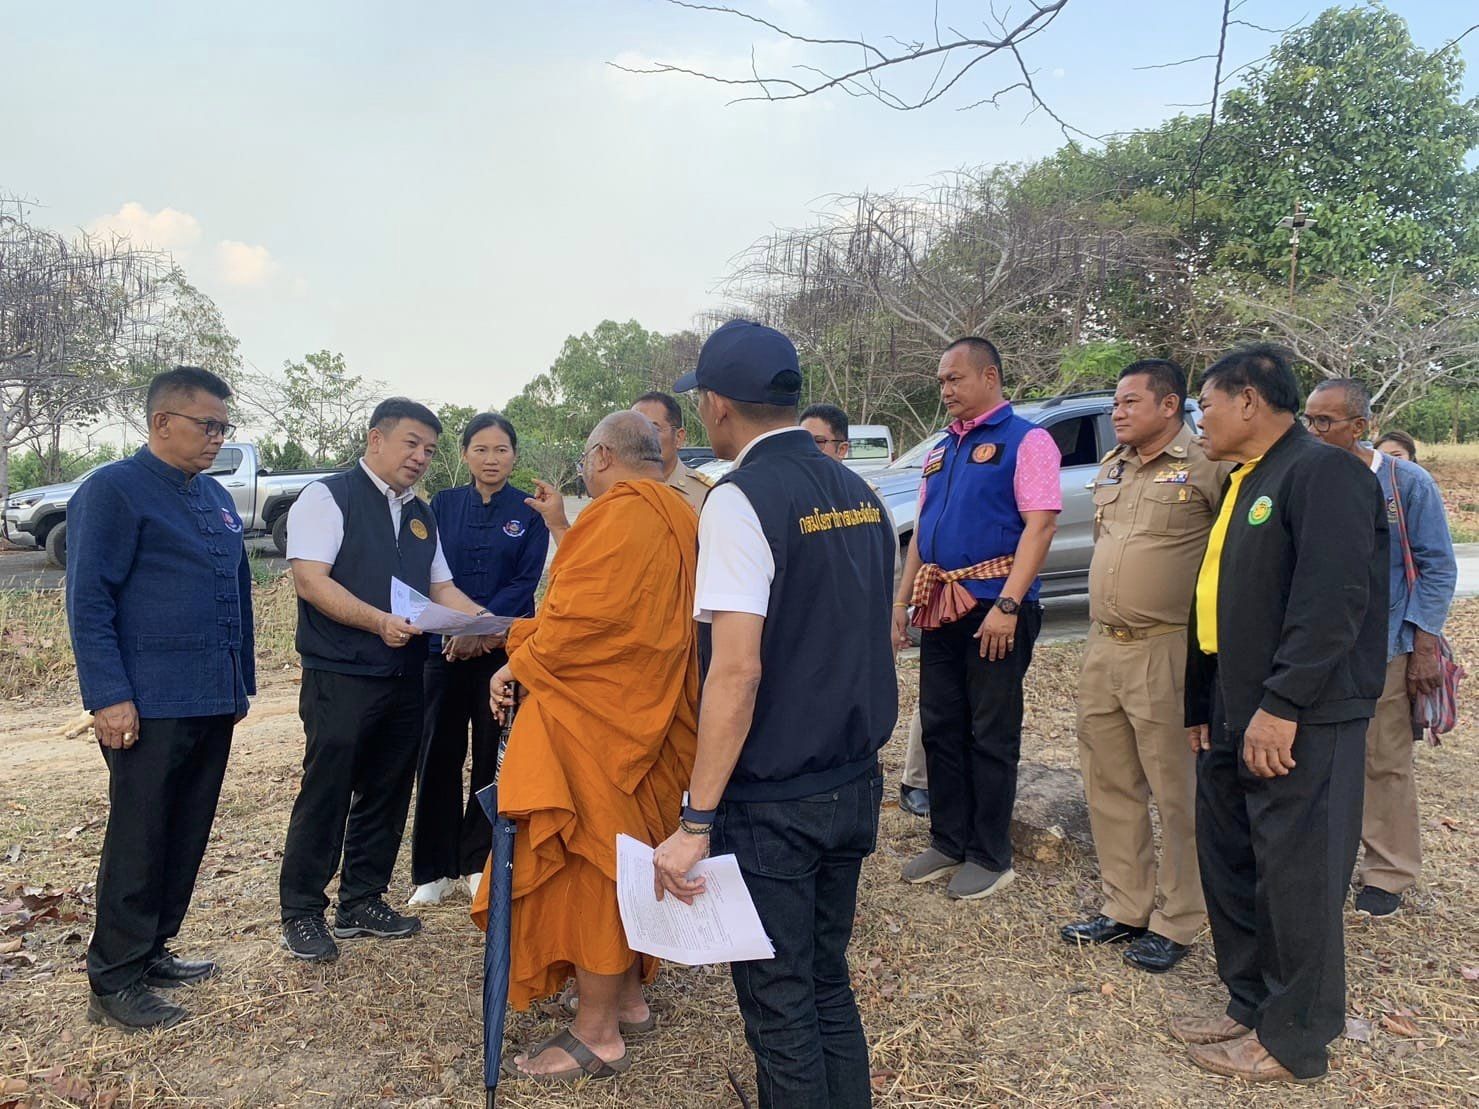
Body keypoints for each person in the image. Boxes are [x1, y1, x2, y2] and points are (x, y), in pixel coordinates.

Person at [652, 319, 897, 1109]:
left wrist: (696, 819)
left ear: (718, 406)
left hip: (776, 799)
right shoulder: (856, 490)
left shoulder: (740, 500)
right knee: (826, 981)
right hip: (852, 779)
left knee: (779, 1001)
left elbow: (736, 671)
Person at [1177, 345, 1387, 1084]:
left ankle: (1293, 1036)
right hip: (1235, 702)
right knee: (1232, 859)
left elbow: (1330, 602)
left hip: (1299, 710)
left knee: (1298, 873)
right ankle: (1251, 1002)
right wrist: (1201, 702)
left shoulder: (1322, 471)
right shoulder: (1244, 480)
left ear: (1247, 400)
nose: (1196, 418)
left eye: (1204, 402)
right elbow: (1215, 598)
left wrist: (1283, 704)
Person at [477, 411, 699, 1082]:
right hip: (654, 715)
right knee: (628, 855)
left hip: (601, 721)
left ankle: (597, 1031)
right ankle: (625, 994)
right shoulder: (683, 513)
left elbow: (578, 622)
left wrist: (516, 658)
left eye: (583, 456)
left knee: (600, 864)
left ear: (601, 456)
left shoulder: (618, 512)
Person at [64, 367, 254, 1032]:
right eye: (207, 425)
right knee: (141, 837)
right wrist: (108, 695)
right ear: (160, 422)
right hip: (149, 700)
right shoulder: (113, 492)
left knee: (186, 831)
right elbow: (88, 599)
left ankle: (152, 948)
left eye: (224, 427)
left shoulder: (216, 497)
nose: (217, 438)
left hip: (210, 696)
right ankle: (113, 977)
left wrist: (240, 682)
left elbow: (238, 593)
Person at [278, 398, 488, 963]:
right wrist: (376, 621)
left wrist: (485, 623)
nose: (420, 457)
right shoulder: (329, 496)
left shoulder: (420, 512)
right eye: (411, 444)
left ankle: (361, 900)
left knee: (389, 787)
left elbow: (441, 588)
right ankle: (301, 910)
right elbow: (311, 581)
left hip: (406, 673)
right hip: (343, 672)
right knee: (328, 789)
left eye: (429, 449)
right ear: (376, 440)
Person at [1062, 360, 1232, 973]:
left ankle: (1179, 918)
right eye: (1115, 402)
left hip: (1168, 647)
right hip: (1104, 645)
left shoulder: (1209, 465)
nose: (1118, 412)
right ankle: (1125, 906)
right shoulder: (1113, 467)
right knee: (1108, 781)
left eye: (1131, 401)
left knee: (1175, 788)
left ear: (1170, 406)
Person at [893, 336, 1061, 900]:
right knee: (941, 723)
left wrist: (1009, 606)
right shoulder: (942, 448)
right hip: (941, 603)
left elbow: (1039, 528)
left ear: (989, 376)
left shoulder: (1027, 440)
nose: (945, 391)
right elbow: (921, 528)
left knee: (990, 732)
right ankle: (948, 840)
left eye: (954, 379)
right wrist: (901, 603)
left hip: (996, 606)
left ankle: (990, 855)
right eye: (941, 381)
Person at [1302, 380, 1456, 917]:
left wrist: (1422, 643)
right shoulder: (1305, 475)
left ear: (1360, 427)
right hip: (1316, 648)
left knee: (1382, 760)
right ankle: (1326, 861)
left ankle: (1387, 874)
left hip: (1385, 644)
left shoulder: (1403, 482)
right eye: (1309, 420)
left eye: (1326, 422)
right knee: (1317, 759)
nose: (1314, 431)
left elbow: (1437, 566)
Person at [407, 413, 549, 907]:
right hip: (442, 651)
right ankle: (433, 868)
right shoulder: (440, 505)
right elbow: (428, 574)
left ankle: (478, 860)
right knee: (438, 754)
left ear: (514, 455)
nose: (492, 459)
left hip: (502, 656)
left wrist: (483, 634)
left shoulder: (529, 512)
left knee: (493, 757)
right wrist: (459, 630)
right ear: (465, 454)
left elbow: (524, 584)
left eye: (502, 449)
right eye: (482, 449)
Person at [632, 390, 713, 513]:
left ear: (678, 437)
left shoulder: (706, 494)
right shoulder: (615, 490)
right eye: (633, 430)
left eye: (653, 429)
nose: (642, 438)